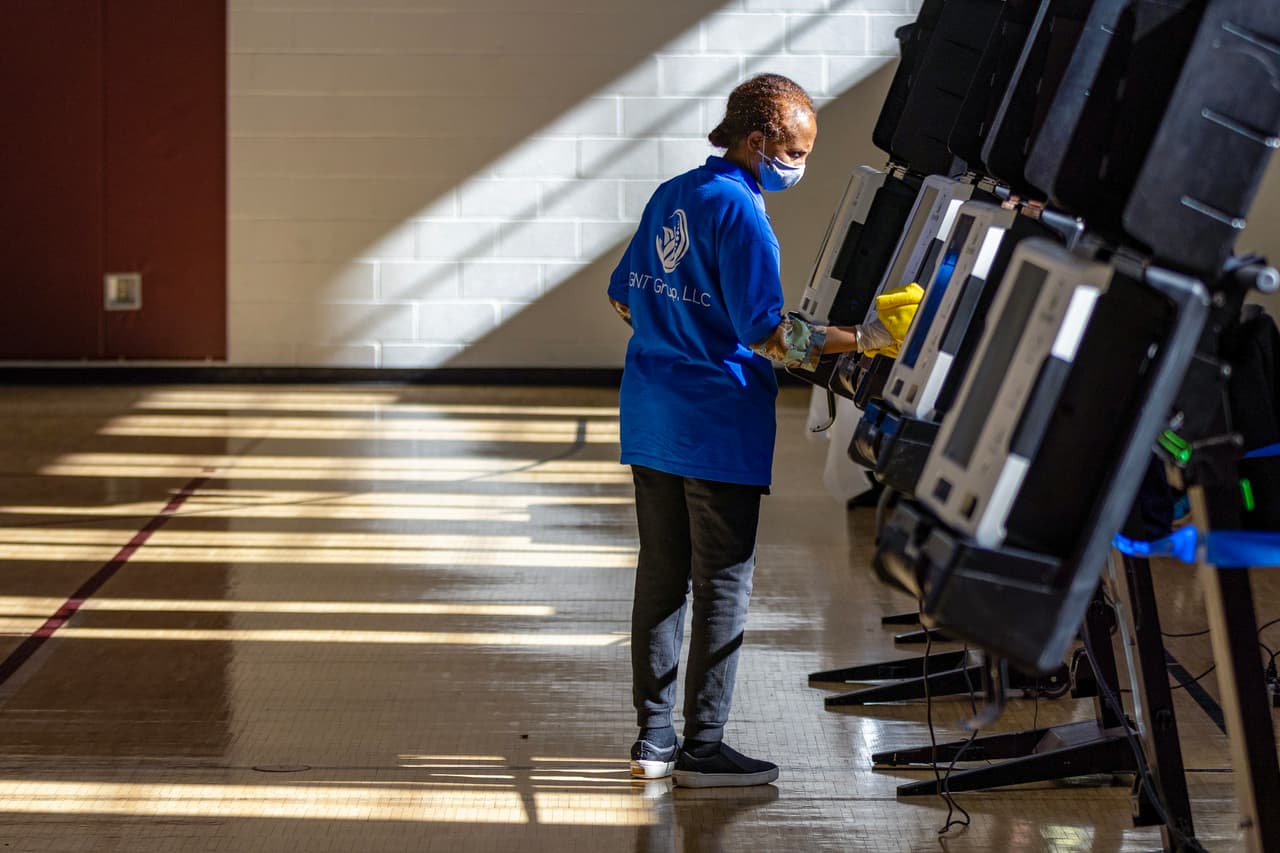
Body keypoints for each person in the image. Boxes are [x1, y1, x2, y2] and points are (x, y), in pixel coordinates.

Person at [607, 73, 894, 788]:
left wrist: (677, 336)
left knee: (661, 578)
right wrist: (865, 336)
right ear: (758, 137)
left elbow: (622, 297)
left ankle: (653, 741)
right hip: (716, 427)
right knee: (722, 586)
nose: (798, 163)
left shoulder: (672, 193)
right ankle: (704, 746)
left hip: (650, 412)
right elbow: (770, 335)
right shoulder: (741, 213)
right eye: (794, 149)